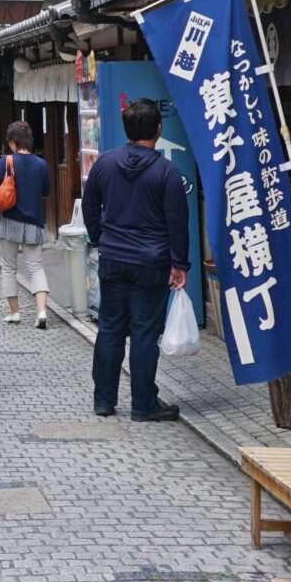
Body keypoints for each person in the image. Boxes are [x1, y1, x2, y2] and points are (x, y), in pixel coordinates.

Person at [81, 99, 190, 421]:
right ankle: (144, 404)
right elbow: (177, 222)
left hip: (113, 257)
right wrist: (179, 263)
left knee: (110, 329)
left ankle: (104, 400)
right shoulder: (167, 171)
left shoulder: (104, 164)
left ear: (127, 129)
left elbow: (89, 206)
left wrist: (100, 238)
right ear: (158, 129)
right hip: (151, 261)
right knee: (144, 332)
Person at [0, 121, 53, 328]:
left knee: (9, 267)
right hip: (34, 221)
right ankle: (41, 311)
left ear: (13, 141)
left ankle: (14, 313)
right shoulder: (41, 164)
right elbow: (46, 192)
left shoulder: (6, 161)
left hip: (10, 220)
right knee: (36, 267)